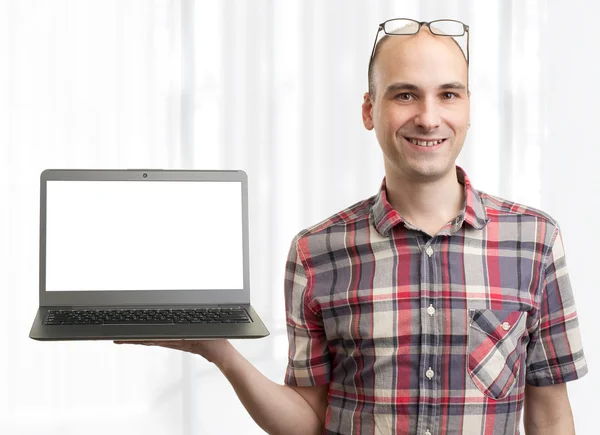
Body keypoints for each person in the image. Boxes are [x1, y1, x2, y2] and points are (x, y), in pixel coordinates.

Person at [117, 18, 588, 435]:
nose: (428, 117)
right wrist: (219, 351)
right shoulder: (315, 253)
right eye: (405, 94)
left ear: (467, 107)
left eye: (448, 94)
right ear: (369, 110)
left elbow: (550, 418)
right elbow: (307, 420)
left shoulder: (535, 242)